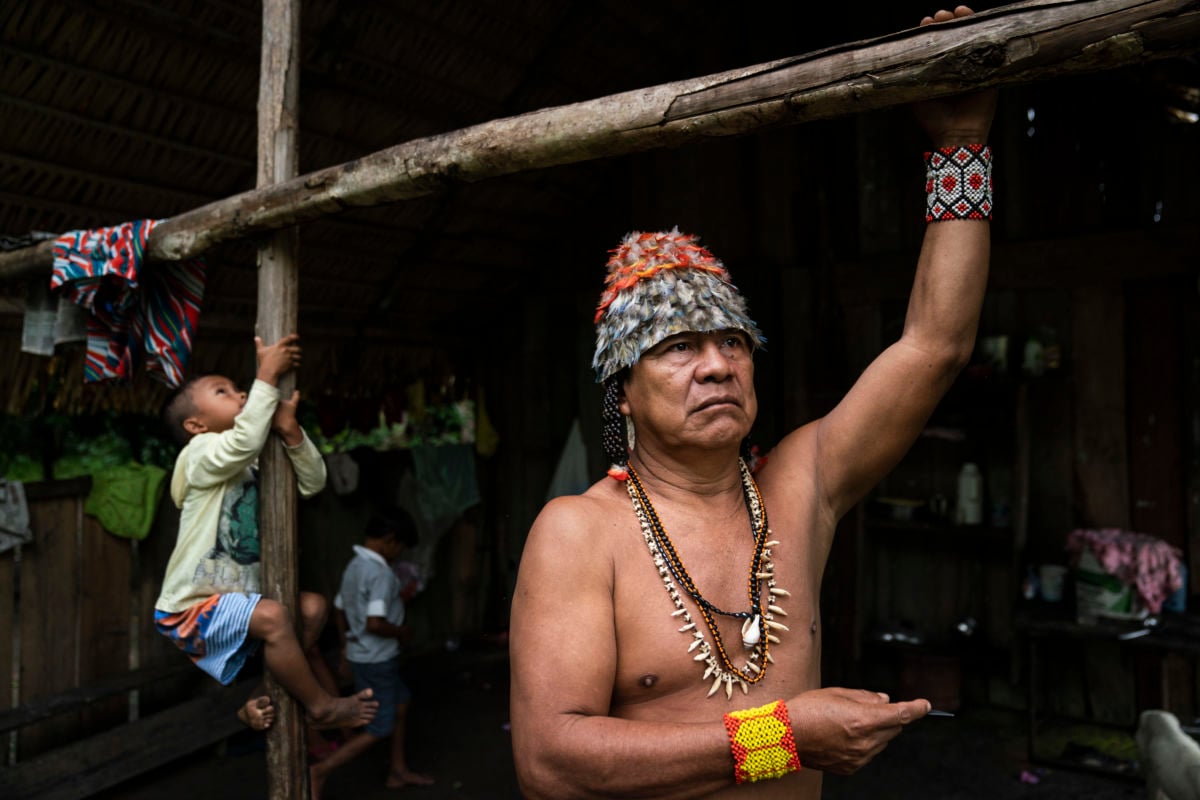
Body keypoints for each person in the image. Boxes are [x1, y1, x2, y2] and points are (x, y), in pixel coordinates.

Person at [509, 7, 997, 798]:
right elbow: (549, 764)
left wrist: (961, 143)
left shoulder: (802, 483)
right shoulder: (577, 535)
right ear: (622, 395)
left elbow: (934, 346)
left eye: (732, 342)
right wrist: (783, 736)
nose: (716, 366)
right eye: (677, 348)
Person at [155, 333, 378, 736]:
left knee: (311, 608)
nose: (240, 394)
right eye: (223, 391)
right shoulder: (199, 454)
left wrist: (291, 432)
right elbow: (242, 441)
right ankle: (321, 705)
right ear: (195, 424)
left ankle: (260, 696)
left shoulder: (253, 461)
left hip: (239, 603)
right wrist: (267, 374)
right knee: (276, 615)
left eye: (240, 388)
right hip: (191, 608)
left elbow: (311, 483)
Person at [311, 507, 435, 799]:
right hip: (379, 660)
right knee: (381, 726)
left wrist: (344, 647)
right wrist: (402, 632)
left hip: (361, 656)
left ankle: (397, 770)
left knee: (400, 704)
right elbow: (375, 623)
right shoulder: (381, 573)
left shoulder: (353, 566)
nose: (399, 554)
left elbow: (340, 609)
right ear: (390, 540)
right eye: (400, 547)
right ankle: (320, 771)